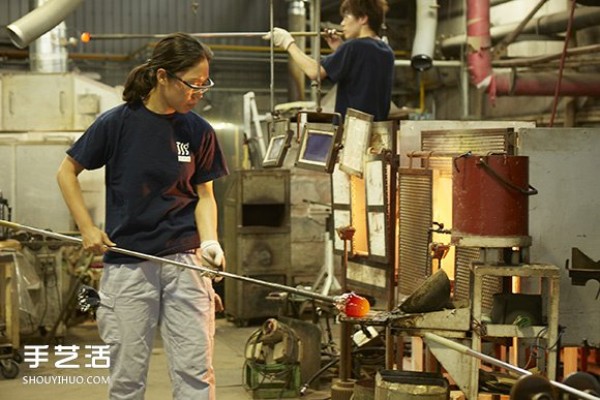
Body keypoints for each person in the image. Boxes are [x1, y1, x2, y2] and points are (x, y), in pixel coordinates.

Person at [56, 32, 228, 400]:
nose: (199, 92)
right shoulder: (118, 123)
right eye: (192, 84)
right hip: (129, 263)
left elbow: (205, 195)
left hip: (186, 261)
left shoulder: (198, 130)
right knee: (127, 378)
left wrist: (210, 240)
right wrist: (87, 227)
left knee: (196, 374)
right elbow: (66, 172)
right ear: (163, 76)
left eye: (204, 83)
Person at [264, 0, 394, 121]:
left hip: (351, 131)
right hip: (378, 129)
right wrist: (340, 49)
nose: (342, 23)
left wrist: (288, 43)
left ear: (363, 18)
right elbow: (360, 73)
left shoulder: (354, 46)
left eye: (347, 17)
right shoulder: (386, 51)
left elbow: (315, 72)